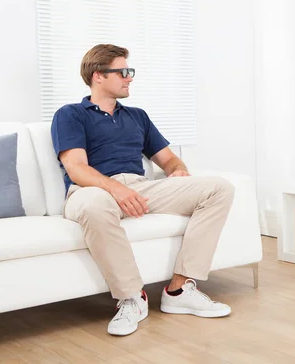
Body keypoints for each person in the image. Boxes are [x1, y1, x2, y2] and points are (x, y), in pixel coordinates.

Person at [51, 44, 236, 337]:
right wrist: (116, 190)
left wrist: (177, 170)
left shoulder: (137, 116)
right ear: (98, 75)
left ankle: (179, 291)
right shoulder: (71, 114)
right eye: (123, 72)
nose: (129, 78)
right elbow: (77, 168)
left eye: (130, 71)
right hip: (91, 190)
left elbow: (167, 158)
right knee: (94, 205)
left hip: (141, 188)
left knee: (219, 188)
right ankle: (132, 297)